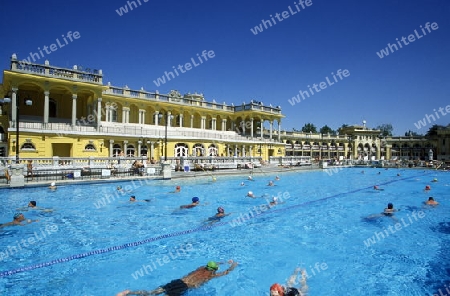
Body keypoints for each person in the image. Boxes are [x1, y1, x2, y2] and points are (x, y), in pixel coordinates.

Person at [116, 260, 238, 296]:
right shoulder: (211, 275)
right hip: (183, 287)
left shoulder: (200, 268)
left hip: (178, 281)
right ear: (215, 269)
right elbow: (226, 273)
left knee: (153, 292)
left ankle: (128, 292)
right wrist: (232, 265)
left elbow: (212, 264)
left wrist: (222, 262)